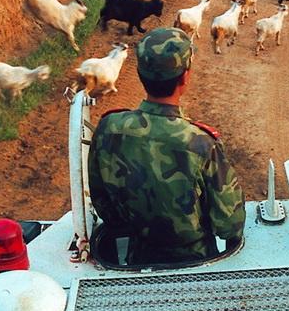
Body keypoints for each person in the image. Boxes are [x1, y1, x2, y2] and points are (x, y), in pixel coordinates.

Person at [87, 27, 245, 266]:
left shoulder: (109, 127)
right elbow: (230, 224)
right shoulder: (200, 143)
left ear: (140, 74)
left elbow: (105, 207)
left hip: (137, 260)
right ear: (185, 77)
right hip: (197, 264)